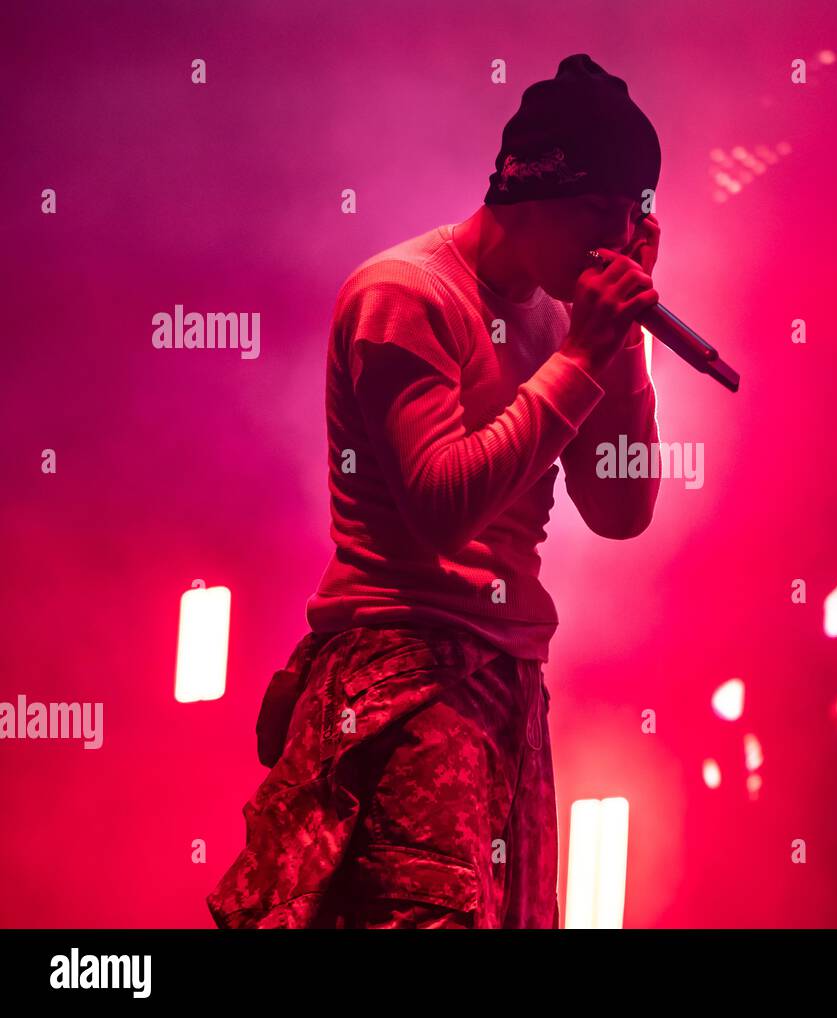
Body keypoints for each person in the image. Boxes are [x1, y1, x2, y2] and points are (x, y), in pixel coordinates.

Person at [207, 53, 662, 929]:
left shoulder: (567, 318)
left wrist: (624, 343)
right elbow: (442, 506)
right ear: (539, 190)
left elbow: (621, 511)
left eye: (636, 218)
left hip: (507, 682)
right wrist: (577, 361)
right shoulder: (403, 295)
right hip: (408, 678)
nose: (618, 243)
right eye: (603, 214)